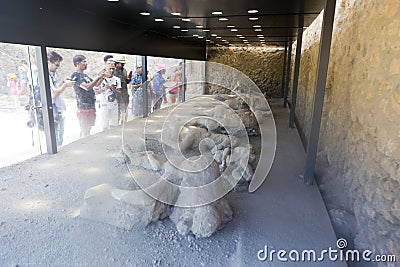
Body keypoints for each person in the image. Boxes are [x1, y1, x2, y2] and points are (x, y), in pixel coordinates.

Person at [71, 55, 105, 137]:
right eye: (84, 62)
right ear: (78, 63)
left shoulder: (85, 76)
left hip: (90, 106)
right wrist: (98, 77)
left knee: (88, 130)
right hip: (83, 107)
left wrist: (102, 76)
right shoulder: (75, 76)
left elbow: (96, 84)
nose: (86, 64)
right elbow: (87, 87)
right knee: (84, 130)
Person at [47, 51, 75, 146]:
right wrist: (65, 85)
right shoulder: (45, 76)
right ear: (48, 62)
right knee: (57, 141)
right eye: (56, 65)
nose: (57, 68)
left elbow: (55, 89)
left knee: (60, 140)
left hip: (58, 109)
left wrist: (63, 82)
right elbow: (53, 95)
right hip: (53, 112)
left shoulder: (52, 74)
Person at [94, 62, 121, 130]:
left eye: (113, 69)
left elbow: (119, 92)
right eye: (110, 69)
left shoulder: (117, 79)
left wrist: (113, 88)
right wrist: (103, 89)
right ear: (106, 69)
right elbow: (96, 92)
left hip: (114, 104)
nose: (111, 70)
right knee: (104, 126)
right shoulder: (100, 79)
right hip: (104, 105)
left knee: (114, 125)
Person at [113, 56, 130, 124]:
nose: (123, 65)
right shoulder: (114, 72)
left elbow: (125, 82)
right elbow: (116, 88)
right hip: (119, 98)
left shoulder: (124, 71)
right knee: (117, 115)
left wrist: (129, 79)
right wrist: (121, 101)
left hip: (125, 96)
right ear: (116, 64)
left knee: (124, 114)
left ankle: (123, 126)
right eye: (121, 63)